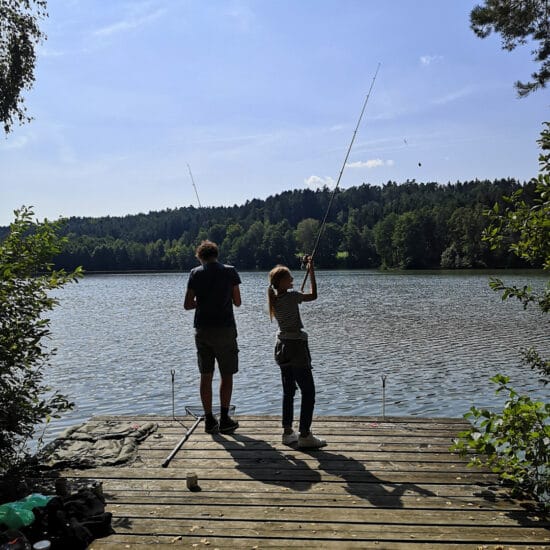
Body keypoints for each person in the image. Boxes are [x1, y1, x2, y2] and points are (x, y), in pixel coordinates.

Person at [268, 256, 326, 449]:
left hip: (281, 346)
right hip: (296, 347)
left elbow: (294, 298)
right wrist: (312, 272)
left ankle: (287, 432)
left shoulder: (275, 299)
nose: (292, 279)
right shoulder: (292, 296)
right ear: (281, 282)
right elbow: (314, 295)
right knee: (308, 391)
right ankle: (305, 434)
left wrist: (295, 290)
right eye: (289, 278)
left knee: (288, 391)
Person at [184, 240, 241, 434]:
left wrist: (202, 301)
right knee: (227, 374)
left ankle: (209, 420)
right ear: (216, 254)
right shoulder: (230, 271)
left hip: (202, 330)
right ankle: (225, 419)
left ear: (200, 257)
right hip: (225, 329)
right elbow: (238, 302)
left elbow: (188, 304)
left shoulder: (195, 273)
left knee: (206, 375)